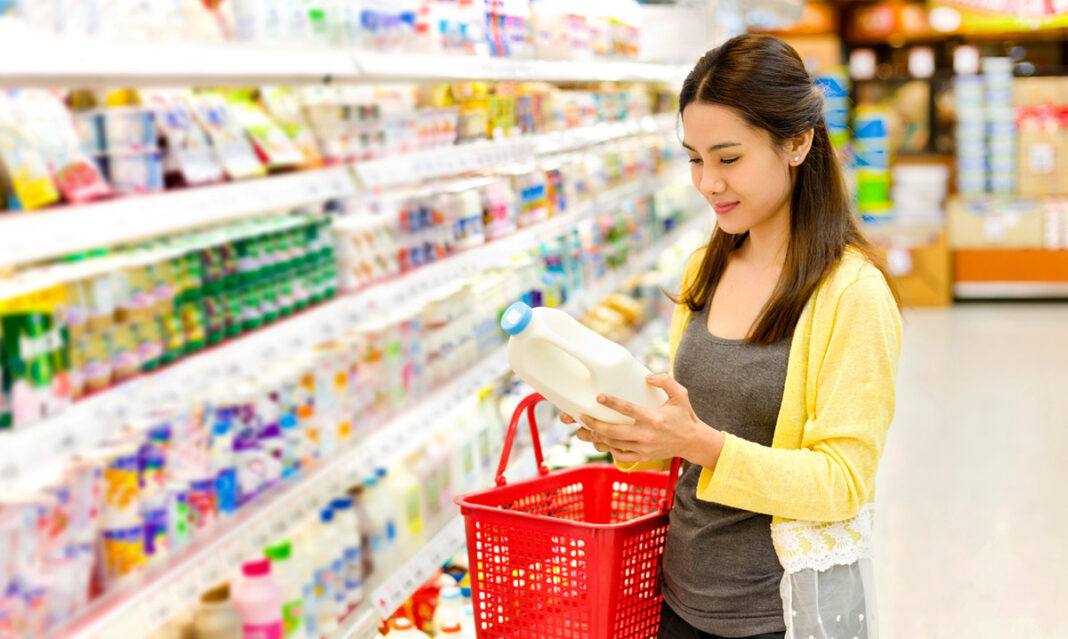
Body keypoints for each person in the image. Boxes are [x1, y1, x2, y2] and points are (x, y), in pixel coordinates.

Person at [566, 34, 902, 639]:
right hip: (677, 602)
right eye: (694, 158)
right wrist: (631, 432)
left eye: (728, 158)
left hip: (778, 613)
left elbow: (842, 483)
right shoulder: (706, 269)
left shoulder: (851, 294)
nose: (707, 183)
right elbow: (687, 449)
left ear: (797, 144)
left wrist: (701, 444)